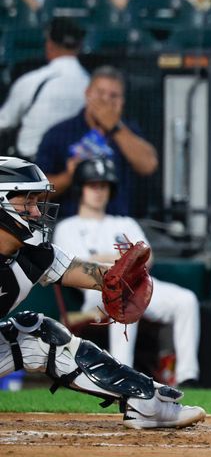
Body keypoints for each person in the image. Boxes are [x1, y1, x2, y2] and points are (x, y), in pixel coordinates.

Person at [0, 156, 205, 428]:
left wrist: (120, 277)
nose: (36, 213)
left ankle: (144, 402)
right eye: (27, 202)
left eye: (37, 202)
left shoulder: (33, 256)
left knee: (38, 334)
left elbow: (89, 272)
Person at [53, 157, 201, 386]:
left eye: (103, 186)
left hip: (140, 283)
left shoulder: (124, 223)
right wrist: (123, 257)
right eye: (93, 185)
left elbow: (146, 258)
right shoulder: (68, 227)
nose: (99, 191)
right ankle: (123, 377)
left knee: (186, 299)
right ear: (80, 189)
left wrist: (104, 257)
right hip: (97, 292)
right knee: (123, 296)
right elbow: (79, 266)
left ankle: (187, 376)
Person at [36, 65, 159, 219]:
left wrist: (114, 127)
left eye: (114, 96)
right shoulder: (59, 133)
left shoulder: (129, 131)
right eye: (100, 93)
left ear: (122, 101)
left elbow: (149, 165)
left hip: (119, 226)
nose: (106, 101)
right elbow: (37, 192)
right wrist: (69, 176)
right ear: (87, 94)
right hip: (69, 225)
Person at [0, 18, 89, 161]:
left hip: (32, 169)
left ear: (49, 44)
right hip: (76, 168)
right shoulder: (91, 84)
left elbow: (4, 122)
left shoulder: (32, 81)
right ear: (79, 46)